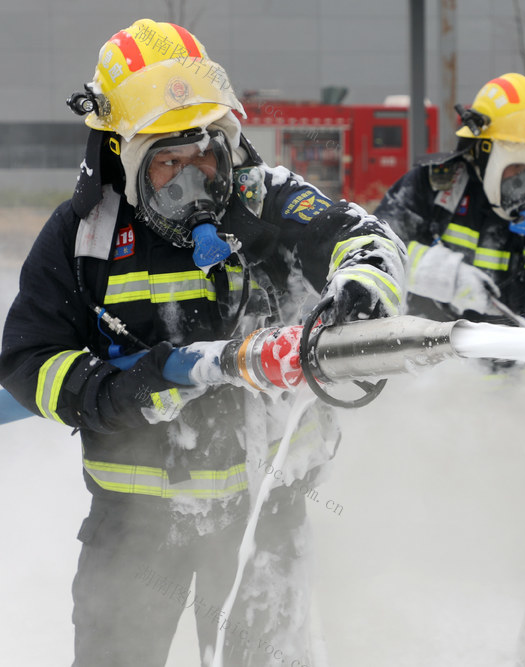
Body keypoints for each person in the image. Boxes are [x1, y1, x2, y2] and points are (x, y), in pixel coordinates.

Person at [0, 19, 405, 667]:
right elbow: (28, 358)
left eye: (205, 155)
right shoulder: (84, 238)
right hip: (134, 528)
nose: (196, 180)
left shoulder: (261, 200)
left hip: (261, 515)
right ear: (123, 154)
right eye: (169, 161)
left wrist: (357, 293)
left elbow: (370, 241)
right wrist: (112, 392)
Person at [375, 72, 525, 331]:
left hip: (519, 370)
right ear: (482, 153)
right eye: (517, 167)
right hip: (429, 365)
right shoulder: (432, 187)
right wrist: (444, 275)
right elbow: (375, 252)